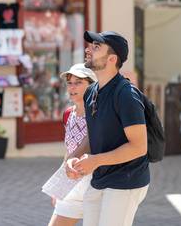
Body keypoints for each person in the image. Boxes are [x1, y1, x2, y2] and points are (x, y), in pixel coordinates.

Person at [66, 31, 149, 226]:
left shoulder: (126, 95)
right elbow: (93, 135)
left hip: (126, 180)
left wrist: (95, 161)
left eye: (96, 47)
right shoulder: (91, 93)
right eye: (90, 45)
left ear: (112, 59)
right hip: (100, 178)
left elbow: (139, 147)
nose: (88, 50)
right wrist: (74, 158)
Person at [48, 63, 97, 226]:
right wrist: (59, 187)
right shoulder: (68, 113)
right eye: (69, 82)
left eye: (79, 82)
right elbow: (69, 151)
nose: (72, 87)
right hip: (72, 181)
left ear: (92, 85)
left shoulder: (101, 113)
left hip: (97, 184)